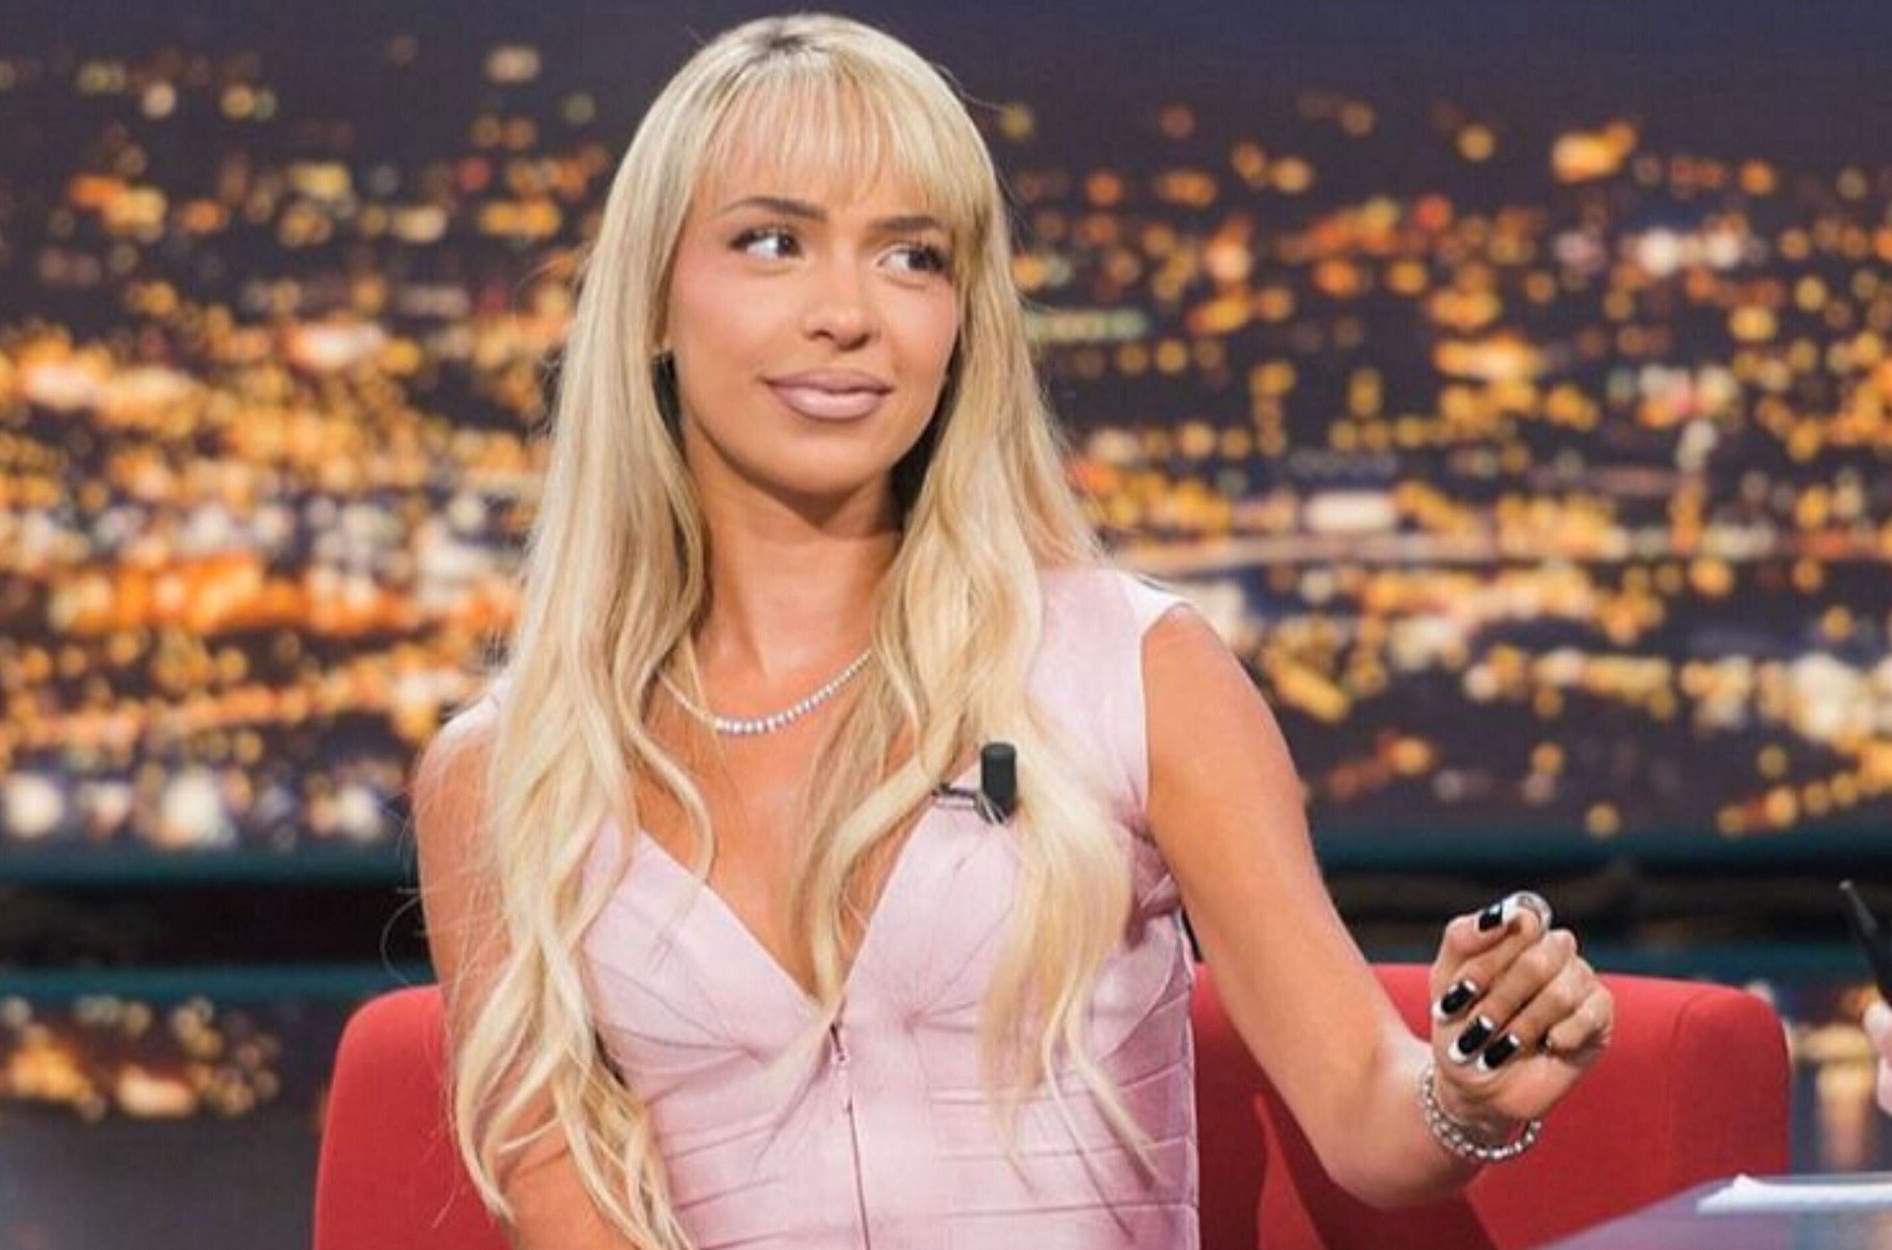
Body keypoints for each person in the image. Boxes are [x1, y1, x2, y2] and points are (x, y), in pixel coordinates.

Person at [412, 13, 1615, 1249]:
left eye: (910, 256)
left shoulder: (1133, 671)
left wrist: (1465, 1093)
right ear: (654, 302)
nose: (846, 311)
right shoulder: (508, 778)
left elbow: (1367, 1110)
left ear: (960, 322)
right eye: (773, 241)